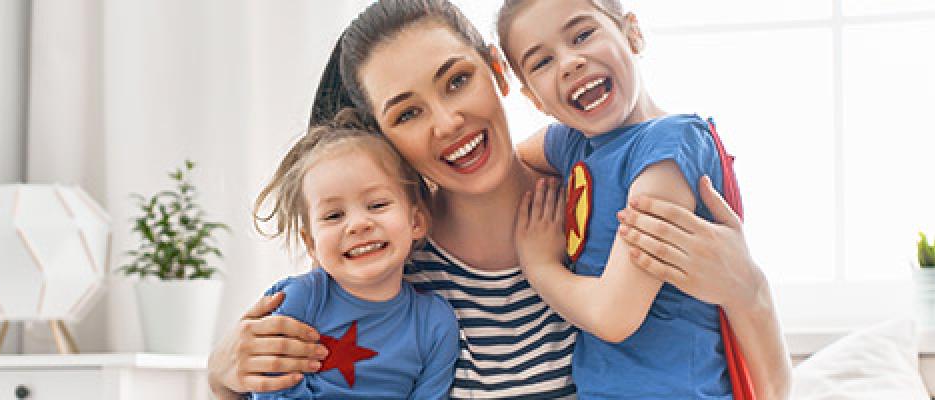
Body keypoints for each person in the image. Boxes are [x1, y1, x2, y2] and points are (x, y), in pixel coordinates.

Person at [209, 1, 792, 399]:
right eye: (407, 113)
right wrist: (221, 378)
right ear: (383, 138)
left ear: (498, 70)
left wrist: (752, 294)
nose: (448, 122)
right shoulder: (383, 262)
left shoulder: (606, 201)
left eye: (457, 80)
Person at [499, 0, 748, 397]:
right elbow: (507, 162)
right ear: (535, 100)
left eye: (582, 35)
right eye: (542, 62)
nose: (569, 63)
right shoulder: (575, 144)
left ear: (632, 33)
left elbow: (614, 315)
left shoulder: (671, 144)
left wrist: (539, 266)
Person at [246, 114, 458, 399]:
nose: (358, 224)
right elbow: (269, 386)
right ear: (311, 244)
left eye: (377, 204)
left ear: (416, 222)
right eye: (334, 215)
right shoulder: (300, 300)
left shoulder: (435, 322)